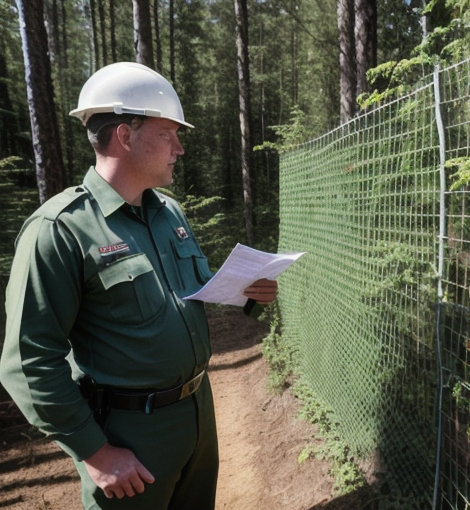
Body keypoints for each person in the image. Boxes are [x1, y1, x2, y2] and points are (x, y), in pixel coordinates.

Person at [0, 61, 277, 510]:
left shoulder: (169, 213)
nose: (180, 149)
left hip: (198, 416)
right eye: (168, 134)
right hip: (129, 436)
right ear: (126, 136)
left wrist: (248, 291)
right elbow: (27, 360)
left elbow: (194, 288)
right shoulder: (60, 230)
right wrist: (96, 452)